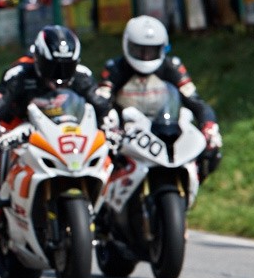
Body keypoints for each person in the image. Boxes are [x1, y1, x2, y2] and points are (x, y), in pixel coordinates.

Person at [0, 25, 103, 230]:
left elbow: (102, 107)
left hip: (63, 133)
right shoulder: (18, 73)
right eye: (52, 66)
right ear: (38, 58)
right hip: (18, 131)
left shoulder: (82, 75)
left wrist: (112, 124)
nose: (59, 75)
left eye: (66, 67)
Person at [95, 16, 222, 179]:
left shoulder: (172, 67)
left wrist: (209, 125)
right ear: (127, 45)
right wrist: (110, 127)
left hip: (165, 129)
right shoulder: (115, 68)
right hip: (128, 137)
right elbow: (101, 101)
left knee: (211, 152)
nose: (145, 56)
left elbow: (195, 101)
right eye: (139, 50)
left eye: (151, 50)